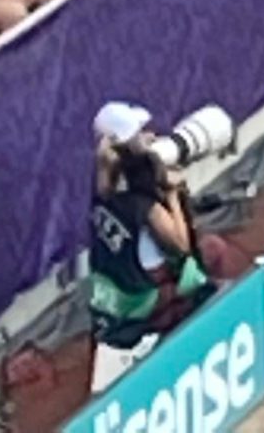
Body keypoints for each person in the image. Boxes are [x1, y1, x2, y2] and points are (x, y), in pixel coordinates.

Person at [87, 101, 215, 388]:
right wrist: (172, 194)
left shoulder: (105, 189)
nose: (151, 136)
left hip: (112, 306)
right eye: (141, 133)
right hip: (143, 310)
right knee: (206, 265)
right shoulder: (142, 206)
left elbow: (107, 167)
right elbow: (181, 244)